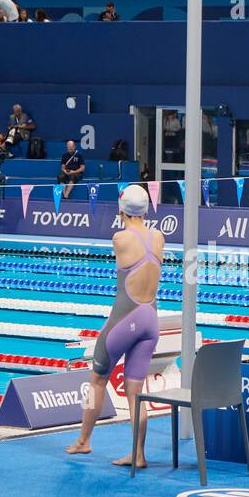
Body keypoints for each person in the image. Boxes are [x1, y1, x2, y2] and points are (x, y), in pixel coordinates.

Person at [66, 185, 162, 467]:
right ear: (146, 209)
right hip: (150, 321)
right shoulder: (159, 236)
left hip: (124, 320)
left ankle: (84, 441)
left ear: (122, 210)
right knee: (136, 391)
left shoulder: (119, 238)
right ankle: (140, 454)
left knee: (97, 380)